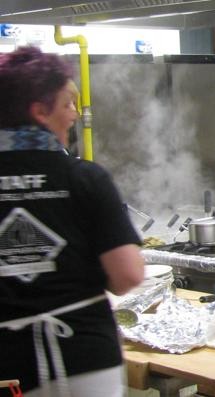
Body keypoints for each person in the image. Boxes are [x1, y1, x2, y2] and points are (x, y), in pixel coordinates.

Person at [0, 46, 145, 397]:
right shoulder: (85, 178)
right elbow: (127, 275)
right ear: (39, 111)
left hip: (8, 365)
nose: (74, 115)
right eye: (66, 103)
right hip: (84, 355)